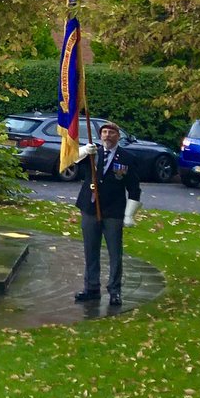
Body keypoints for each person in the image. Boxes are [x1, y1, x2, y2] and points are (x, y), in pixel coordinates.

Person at [74, 120, 142, 306]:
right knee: (90, 249)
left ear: (118, 136)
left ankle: (114, 290)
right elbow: (69, 160)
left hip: (113, 210)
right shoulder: (92, 153)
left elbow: (134, 189)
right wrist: (83, 151)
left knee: (114, 252)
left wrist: (129, 214)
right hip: (90, 207)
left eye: (111, 133)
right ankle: (91, 288)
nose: (107, 136)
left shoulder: (127, 158)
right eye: (104, 132)